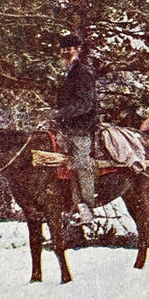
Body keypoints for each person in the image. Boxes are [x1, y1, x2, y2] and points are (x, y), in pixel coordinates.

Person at [50, 33, 98, 226]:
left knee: (81, 163)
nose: (65, 52)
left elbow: (85, 105)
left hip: (82, 126)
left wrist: (60, 113)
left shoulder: (83, 72)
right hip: (66, 126)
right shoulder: (66, 72)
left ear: (78, 49)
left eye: (69, 48)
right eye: (63, 48)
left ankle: (86, 207)